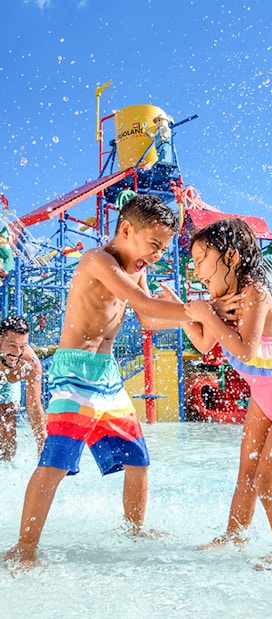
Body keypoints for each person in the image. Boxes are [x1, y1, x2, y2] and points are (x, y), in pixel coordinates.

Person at [5, 194, 193, 570]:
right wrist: (200, 310)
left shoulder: (137, 268)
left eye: (163, 248)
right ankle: (24, 549)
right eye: (154, 244)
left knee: (138, 460)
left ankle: (134, 528)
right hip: (75, 372)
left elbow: (149, 319)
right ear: (126, 230)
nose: (157, 255)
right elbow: (144, 302)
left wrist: (188, 319)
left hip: (107, 376)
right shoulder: (97, 260)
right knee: (55, 462)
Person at [175, 218, 272, 567]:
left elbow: (246, 349)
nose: (196, 269)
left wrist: (206, 314)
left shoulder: (254, 293)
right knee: (246, 475)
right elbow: (206, 343)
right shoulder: (221, 300)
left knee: (267, 480)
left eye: (202, 258)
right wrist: (183, 313)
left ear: (232, 257)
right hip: (263, 398)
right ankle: (233, 535)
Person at [0, 316, 46, 461]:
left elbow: (34, 406)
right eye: (12, 345)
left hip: (10, 382)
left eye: (23, 346)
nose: (17, 352)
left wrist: (42, 440)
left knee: (8, 421)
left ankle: (5, 467)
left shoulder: (31, 364)